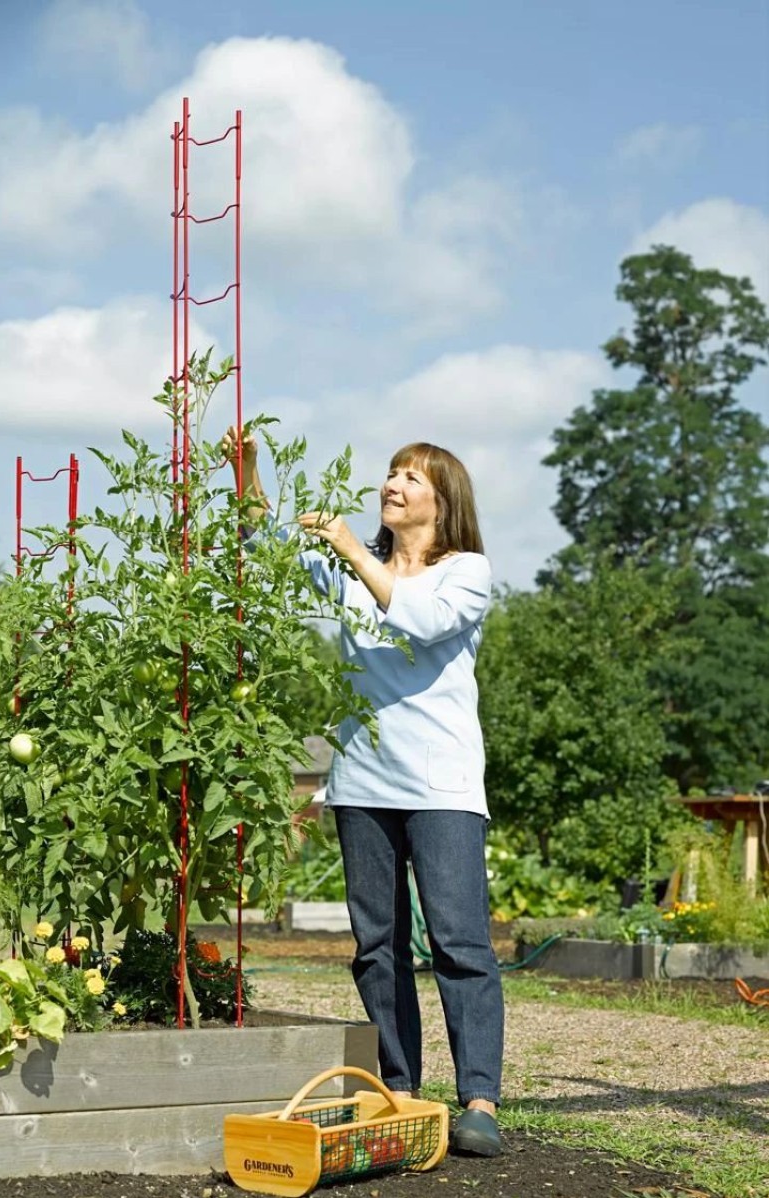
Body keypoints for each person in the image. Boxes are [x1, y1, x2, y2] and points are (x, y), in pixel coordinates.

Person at [224, 428, 505, 1157]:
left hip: (441, 787)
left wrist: (351, 550)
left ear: (443, 503)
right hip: (363, 783)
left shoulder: (466, 573)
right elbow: (265, 551)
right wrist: (247, 473)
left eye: (411, 478)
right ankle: (400, 1089)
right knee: (377, 945)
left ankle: (479, 1099)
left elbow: (413, 618)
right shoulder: (357, 567)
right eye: (391, 474)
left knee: (459, 943)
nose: (393, 485)